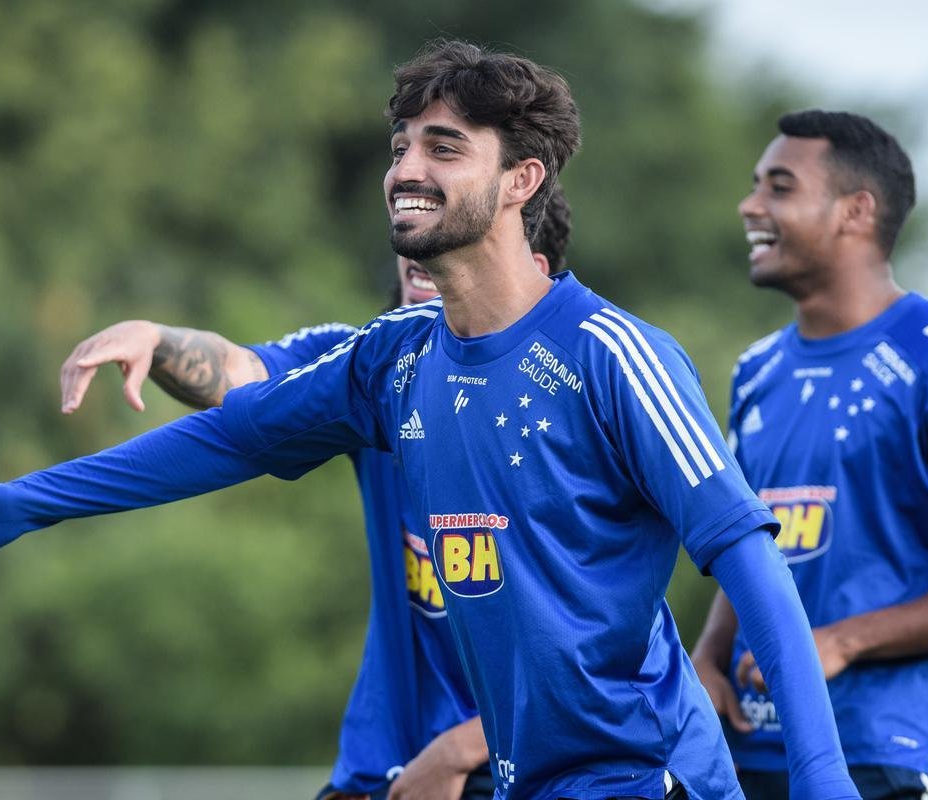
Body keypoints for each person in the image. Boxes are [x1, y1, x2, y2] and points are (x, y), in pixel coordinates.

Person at [0, 41, 858, 799]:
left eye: (444, 147)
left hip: (646, 777)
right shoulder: (393, 360)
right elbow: (226, 434)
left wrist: (821, 781)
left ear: (521, 181)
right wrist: (14, 506)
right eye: (400, 148)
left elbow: (752, 564)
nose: (405, 168)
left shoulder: (611, 354)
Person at [53, 186, 572, 800]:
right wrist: (157, 339)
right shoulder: (370, 370)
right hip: (379, 769)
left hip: (524, 765)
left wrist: (460, 751)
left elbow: (603, 644)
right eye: (421, 260)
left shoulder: (566, 408)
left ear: (534, 271)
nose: (431, 258)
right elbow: (243, 377)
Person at [690, 110, 928, 800]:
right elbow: (749, 545)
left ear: (856, 211)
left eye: (779, 186)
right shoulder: (757, 369)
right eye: (755, 184)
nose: (750, 204)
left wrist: (842, 641)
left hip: (888, 760)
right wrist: (707, 655)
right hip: (751, 753)